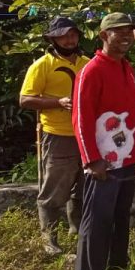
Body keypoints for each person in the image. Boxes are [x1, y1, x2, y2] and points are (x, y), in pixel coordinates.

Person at [72, 12, 135, 270]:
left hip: (126, 157)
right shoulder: (92, 70)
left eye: (128, 32)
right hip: (103, 163)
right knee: (97, 219)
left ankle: (117, 264)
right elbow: (80, 118)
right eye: (118, 32)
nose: (125, 37)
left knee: (120, 215)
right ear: (103, 36)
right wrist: (91, 160)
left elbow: (129, 109)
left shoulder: (126, 68)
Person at [19, 16, 89, 256]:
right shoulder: (42, 65)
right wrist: (57, 102)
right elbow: (25, 99)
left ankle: (77, 231)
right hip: (57, 134)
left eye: (72, 35)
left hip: (86, 135)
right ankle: (49, 238)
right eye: (63, 36)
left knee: (82, 186)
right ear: (53, 39)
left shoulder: (87, 63)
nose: (69, 40)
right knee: (54, 188)